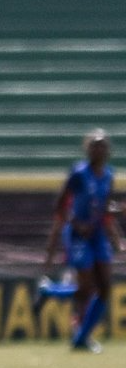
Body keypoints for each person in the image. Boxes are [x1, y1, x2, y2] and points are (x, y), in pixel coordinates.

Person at [45, 129, 118, 352]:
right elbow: (60, 205)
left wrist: (115, 237)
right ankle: (49, 291)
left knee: (104, 288)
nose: (99, 148)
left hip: (96, 236)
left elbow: (104, 208)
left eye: (102, 144)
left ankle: (81, 338)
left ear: (108, 150)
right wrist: (77, 224)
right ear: (87, 148)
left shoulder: (109, 175)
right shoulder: (78, 173)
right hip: (78, 235)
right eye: (95, 144)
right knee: (85, 288)